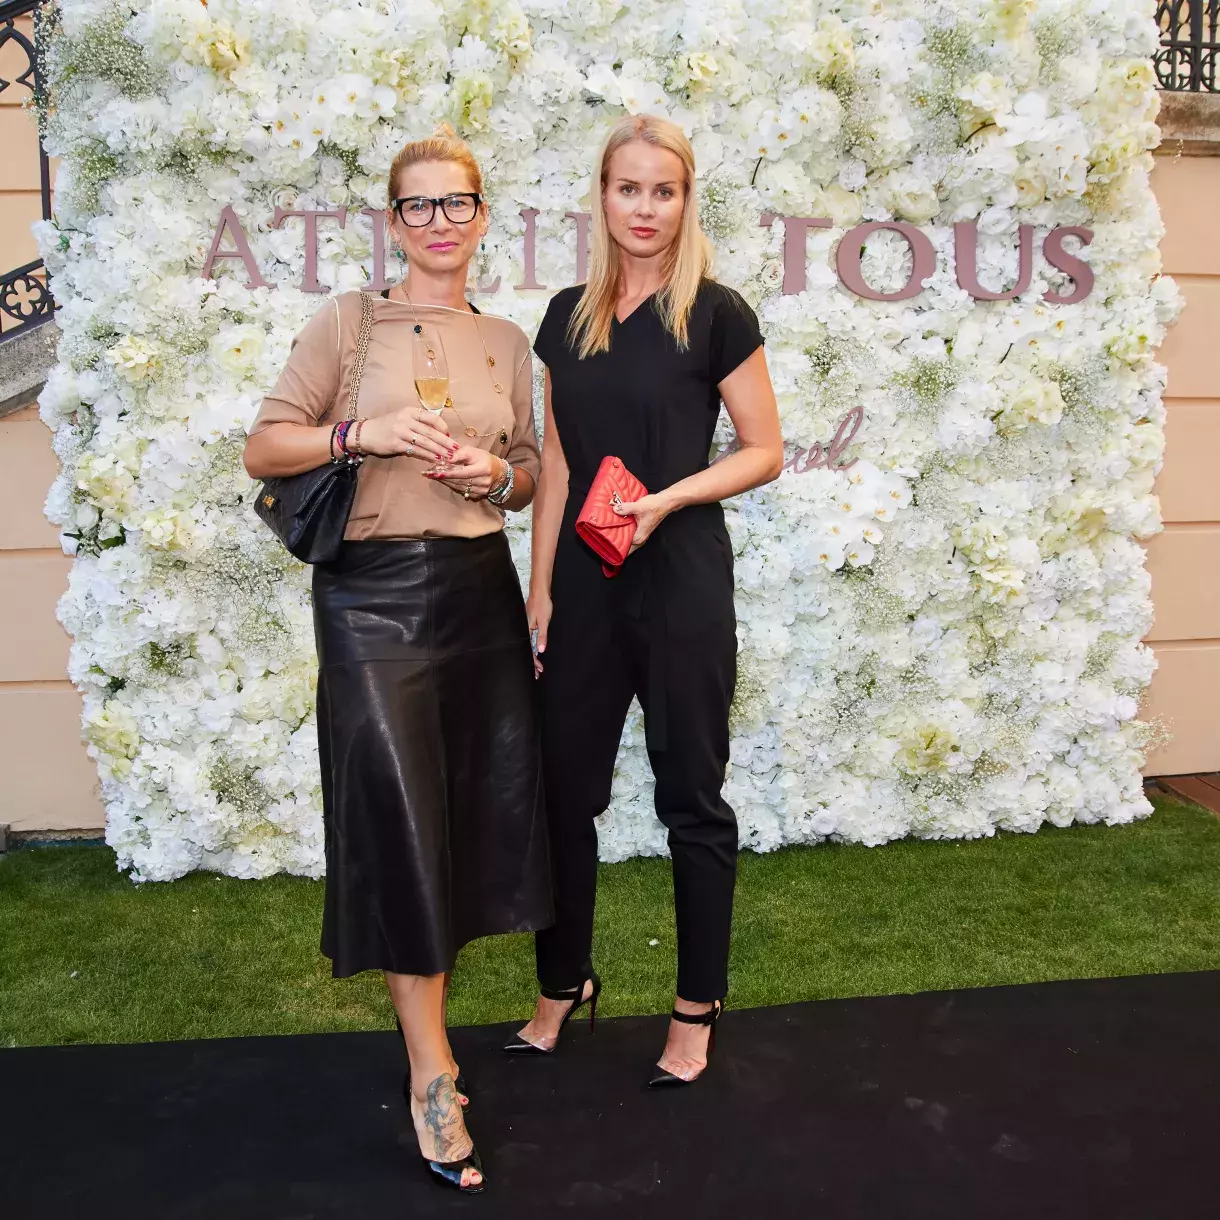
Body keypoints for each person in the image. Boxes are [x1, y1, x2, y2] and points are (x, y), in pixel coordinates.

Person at [243, 124, 551, 1194]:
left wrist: (491, 476)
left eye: (456, 201)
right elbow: (264, 444)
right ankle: (431, 1070)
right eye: (417, 204)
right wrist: (358, 435)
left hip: (477, 596)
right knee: (402, 821)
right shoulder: (348, 321)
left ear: (481, 215)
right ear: (393, 220)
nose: (438, 221)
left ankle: (435, 1048)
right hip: (369, 602)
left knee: (464, 821)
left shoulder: (506, 340)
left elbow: (527, 473)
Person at [505, 114, 783, 1085]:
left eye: (663, 190)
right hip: (583, 584)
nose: (645, 207)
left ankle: (695, 1007)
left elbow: (763, 449)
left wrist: (669, 497)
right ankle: (561, 982)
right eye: (628, 188)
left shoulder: (716, 313)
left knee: (690, 799)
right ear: (603, 195)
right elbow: (557, 463)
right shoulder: (565, 318)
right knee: (559, 795)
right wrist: (540, 589)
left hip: (681, 579)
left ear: (685, 200)